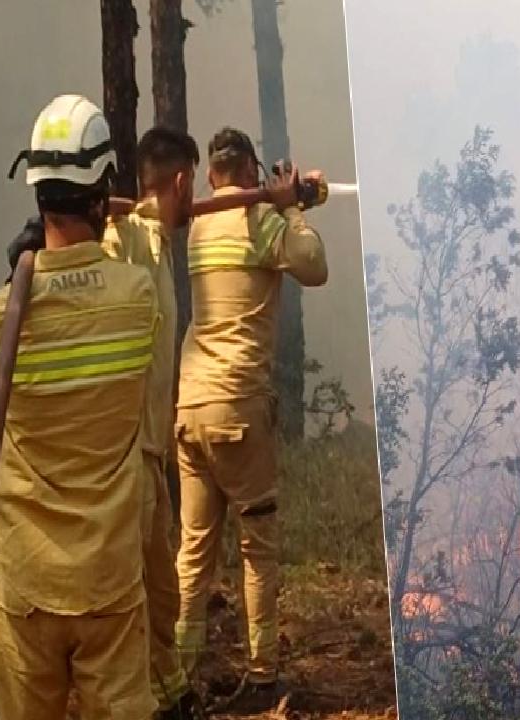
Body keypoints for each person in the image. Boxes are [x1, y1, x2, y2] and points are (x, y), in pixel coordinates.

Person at [0, 94, 157, 719]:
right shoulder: (137, 299)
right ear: (102, 189)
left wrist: (21, 276)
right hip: (109, 582)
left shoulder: (3, 314)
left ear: (35, 193)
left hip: (28, 582)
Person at [173, 126, 328, 711]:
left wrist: (281, 199)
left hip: (190, 409)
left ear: (213, 174)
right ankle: (263, 677)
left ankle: (180, 682)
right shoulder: (259, 223)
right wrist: (290, 211)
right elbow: (313, 266)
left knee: (193, 555)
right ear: (249, 171)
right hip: (238, 409)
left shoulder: (200, 226)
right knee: (258, 550)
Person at [101, 125, 205, 720]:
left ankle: (172, 694)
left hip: (152, 450)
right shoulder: (129, 239)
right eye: (192, 188)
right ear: (183, 181)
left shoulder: (161, 244)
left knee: (161, 591)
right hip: (125, 451)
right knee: (132, 591)